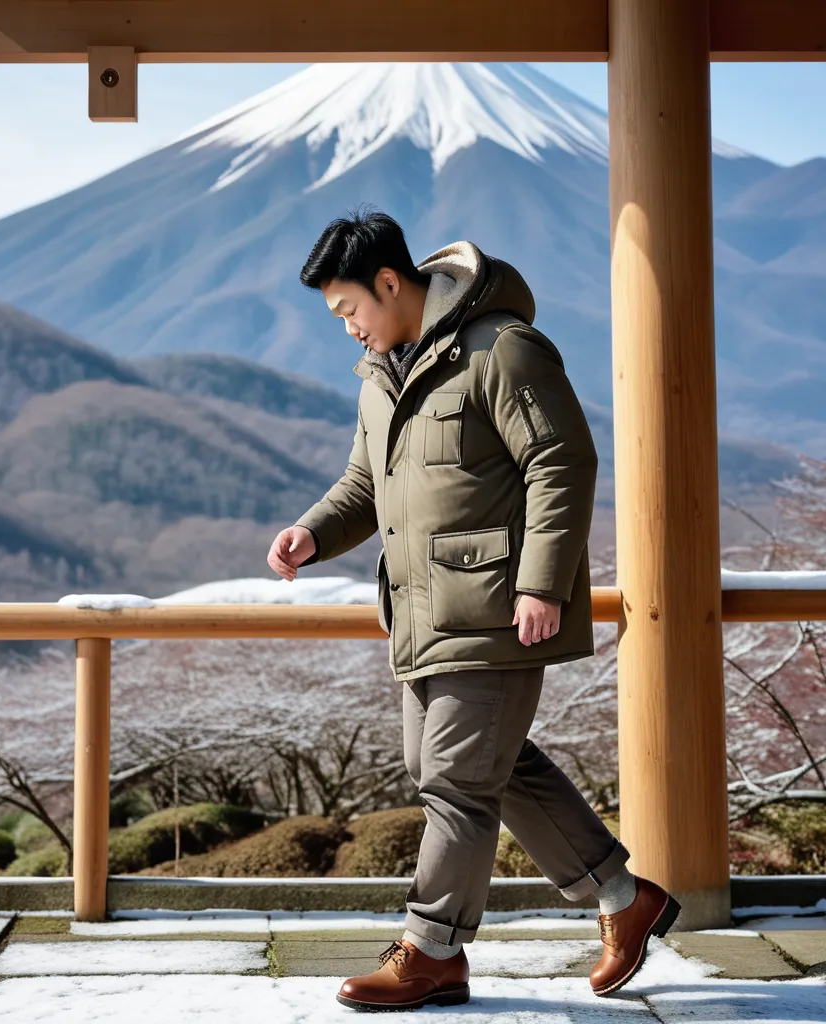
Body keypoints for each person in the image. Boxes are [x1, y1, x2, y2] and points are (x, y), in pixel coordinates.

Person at [266, 210, 680, 1010]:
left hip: (495, 606)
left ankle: (431, 951)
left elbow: (562, 460)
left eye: (349, 309)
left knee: (456, 783)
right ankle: (626, 900)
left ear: (390, 283)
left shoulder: (501, 350)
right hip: (423, 616)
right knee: (478, 766)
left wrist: (540, 582)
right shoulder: (382, 377)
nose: (348, 328)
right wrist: (311, 533)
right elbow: (364, 485)